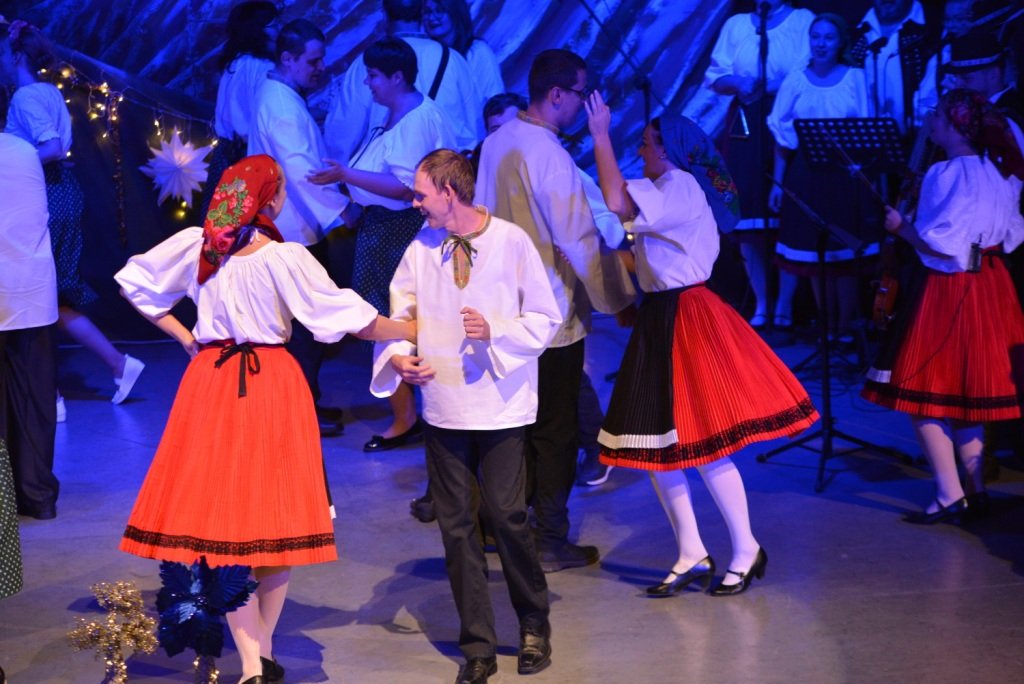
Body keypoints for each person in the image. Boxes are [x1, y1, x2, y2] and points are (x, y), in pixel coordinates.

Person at [116, 156, 415, 684]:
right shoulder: (284, 257)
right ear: (270, 199)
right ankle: (258, 660)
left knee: (227, 524)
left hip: (211, 380)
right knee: (274, 521)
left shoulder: (198, 245)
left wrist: (187, 338)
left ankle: (259, 660)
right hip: (269, 382)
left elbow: (134, 284)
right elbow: (350, 320)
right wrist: (415, 327)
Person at [586, 91, 820, 597]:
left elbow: (616, 201)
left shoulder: (681, 186)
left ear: (667, 148)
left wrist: (600, 136)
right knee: (654, 444)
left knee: (705, 442)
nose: (641, 152)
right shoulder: (664, 188)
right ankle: (691, 550)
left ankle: (746, 547)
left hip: (687, 316)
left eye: (646, 144)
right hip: (660, 316)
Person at [372, 149, 559, 684]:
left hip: (500, 404)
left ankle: (533, 624)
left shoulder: (510, 241)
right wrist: (398, 358)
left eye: (421, 194)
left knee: (507, 515)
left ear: (449, 193)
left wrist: (496, 332)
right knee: (456, 528)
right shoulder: (421, 247)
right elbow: (402, 313)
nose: (414, 203)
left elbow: (546, 315)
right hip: (445, 405)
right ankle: (477, 644)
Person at [476, 49, 636, 572]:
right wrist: (619, 298)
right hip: (548, 313)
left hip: (503, 308)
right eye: (581, 92)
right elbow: (578, 237)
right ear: (558, 93)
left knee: (511, 427)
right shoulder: (547, 152)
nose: (585, 103)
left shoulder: (497, 141)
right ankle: (548, 539)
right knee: (555, 429)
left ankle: (502, 528)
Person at [862, 89, 1024, 523]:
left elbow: (939, 245)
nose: (931, 123)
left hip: (951, 288)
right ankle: (976, 490)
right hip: (993, 284)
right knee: (967, 396)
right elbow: (1011, 235)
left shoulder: (945, 173)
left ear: (955, 126)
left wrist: (901, 227)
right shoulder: (1000, 170)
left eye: (937, 117)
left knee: (925, 396)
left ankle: (950, 495)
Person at [309, 37, 456, 452]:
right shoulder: (396, 113)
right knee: (388, 321)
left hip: (398, 230)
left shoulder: (416, 120)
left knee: (389, 320)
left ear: (397, 76)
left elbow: (403, 187)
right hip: (382, 228)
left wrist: (347, 175)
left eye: (373, 76)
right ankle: (410, 414)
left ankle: (411, 417)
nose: (368, 83)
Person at [0, 19, 144, 412]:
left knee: (35, 296)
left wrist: (15, 163)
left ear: (16, 55)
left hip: (44, 193)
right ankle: (115, 365)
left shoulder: (25, 97)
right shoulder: (48, 91)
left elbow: (51, 147)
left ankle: (50, 393)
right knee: (53, 297)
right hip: (62, 191)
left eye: (2, 54)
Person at [249, 18, 352, 437]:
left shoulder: (282, 95)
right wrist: (342, 209)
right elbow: (301, 171)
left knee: (304, 325)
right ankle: (300, 410)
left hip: (296, 227)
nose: (320, 67)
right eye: (313, 60)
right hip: (292, 231)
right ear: (287, 59)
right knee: (303, 327)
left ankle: (305, 402)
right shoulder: (280, 104)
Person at [767, 13, 876, 341]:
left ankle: (846, 326)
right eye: (816, 37)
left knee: (844, 251)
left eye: (828, 37)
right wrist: (779, 184)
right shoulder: (796, 80)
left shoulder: (856, 78)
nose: (821, 43)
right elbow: (782, 136)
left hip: (845, 174)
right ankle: (827, 327)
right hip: (807, 174)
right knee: (815, 251)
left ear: (840, 42)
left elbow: (867, 130)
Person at [705, 0, 815, 329]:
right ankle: (762, 301)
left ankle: (785, 304)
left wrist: (768, 86)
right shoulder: (737, 25)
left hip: (788, 116)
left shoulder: (802, 21)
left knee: (789, 213)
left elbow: (808, 69)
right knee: (748, 214)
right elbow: (716, 75)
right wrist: (738, 83)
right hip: (746, 123)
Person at [0, 83, 59, 522]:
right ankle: (37, 495)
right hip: (34, 289)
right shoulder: (24, 151)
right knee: (34, 397)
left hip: (9, 284)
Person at [324, 0, 480, 161]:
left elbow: (343, 132)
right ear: (422, 13)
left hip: (382, 172)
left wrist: (338, 170)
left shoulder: (364, 63)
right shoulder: (453, 59)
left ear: (384, 15)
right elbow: (473, 124)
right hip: (441, 171)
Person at [200, 1, 279, 217]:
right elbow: (258, 117)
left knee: (220, 222)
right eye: (273, 25)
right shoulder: (261, 67)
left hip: (225, 153)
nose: (278, 31)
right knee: (243, 223)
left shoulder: (236, 62)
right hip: (247, 155)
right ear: (258, 30)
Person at [851, 0, 941, 135]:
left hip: (917, 138)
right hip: (862, 136)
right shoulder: (855, 30)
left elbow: (931, 100)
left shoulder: (932, 30)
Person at [422, 0, 504, 106]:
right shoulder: (425, 54)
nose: (432, 17)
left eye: (439, 11)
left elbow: (494, 97)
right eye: (427, 12)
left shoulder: (477, 51)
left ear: (455, 12)